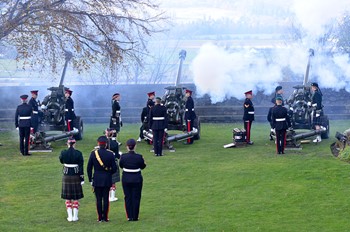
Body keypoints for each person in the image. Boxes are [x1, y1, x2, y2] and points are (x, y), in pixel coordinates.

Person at [87, 136, 117, 222]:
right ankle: (106, 217)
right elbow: (114, 168)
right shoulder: (110, 154)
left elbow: (89, 168)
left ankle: (100, 217)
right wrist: (108, 173)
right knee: (106, 198)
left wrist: (90, 179)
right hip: (107, 179)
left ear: (98, 144)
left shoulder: (93, 153)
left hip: (96, 178)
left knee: (98, 199)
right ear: (106, 144)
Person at [119, 139, 146, 221]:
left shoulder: (123, 156)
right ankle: (135, 216)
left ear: (127, 147)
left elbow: (121, 165)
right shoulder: (139, 157)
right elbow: (143, 166)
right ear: (135, 146)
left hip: (126, 178)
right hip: (137, 178)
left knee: (128, 197)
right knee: (136, 197)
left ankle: (129, 216)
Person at [59, 138, 84, 222]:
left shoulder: (63, 152)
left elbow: (61, 161)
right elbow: (81, 166)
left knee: (68, 197)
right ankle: (75, 217)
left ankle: (70, 217)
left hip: (66, 176)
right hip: (76, 175)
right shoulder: (78, 153)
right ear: (74, 143)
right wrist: (82, 178)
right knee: (76, 197)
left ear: (68, 143)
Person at [105, 128, 121, 202]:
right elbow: (117, 155)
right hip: (113, 162)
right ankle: (112, 197)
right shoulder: (115, 143)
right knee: (113, 181)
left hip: (104, 163)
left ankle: (107, 196)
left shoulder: (104, 142)